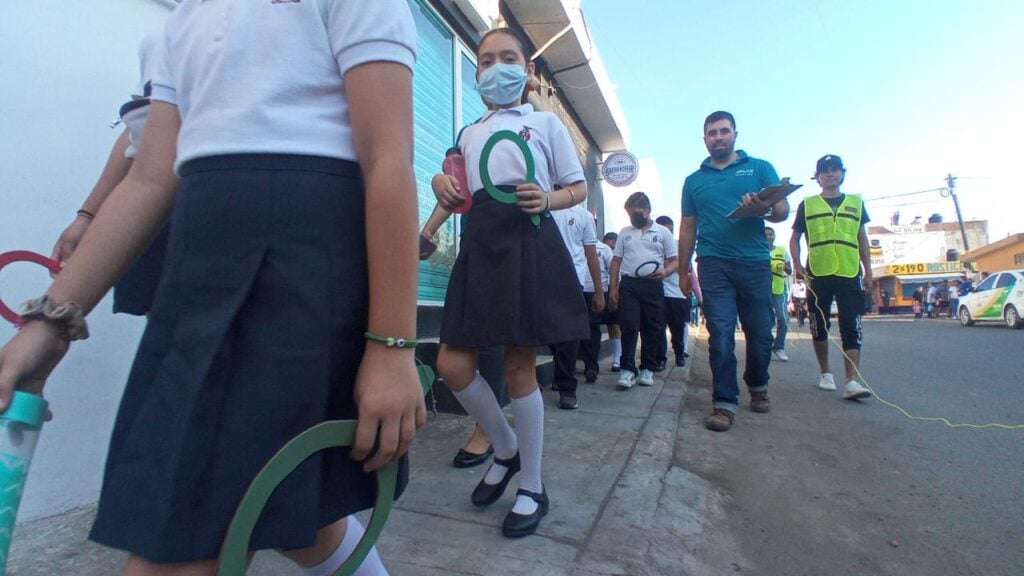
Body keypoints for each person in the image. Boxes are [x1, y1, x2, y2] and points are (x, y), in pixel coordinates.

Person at [0, 3, 424, 575]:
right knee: (288, 507)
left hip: (300, 274)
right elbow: (150, 177)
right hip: (197, 274)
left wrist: (392, 347)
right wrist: (51, 323)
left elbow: (387, 161)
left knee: (188, 528)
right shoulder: (186, 17)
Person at [431, 28, 589, 539]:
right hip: (480, 244)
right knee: (451, 363)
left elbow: (578, 186)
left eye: (509, 58)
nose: (497, 67)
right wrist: (437, 195)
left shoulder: (545, 123)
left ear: (527, 69)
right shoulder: (469, 132)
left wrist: (549, 200)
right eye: (486, 60)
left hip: (527, 240)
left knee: (520, 365)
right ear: (476, 73)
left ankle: (532, 484)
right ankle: (505, 447)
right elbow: (455, 191)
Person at [678, 111, 789, 432]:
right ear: (704, 139)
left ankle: (758, 384)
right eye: (712, 133)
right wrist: (684, 271)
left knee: (760, 333)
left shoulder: (760, 168)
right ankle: (724, 403)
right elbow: (687, 227)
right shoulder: (694, 181)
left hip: (754, 262)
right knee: (721, 335)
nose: (718, 137)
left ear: (735, 134)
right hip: (712, 264)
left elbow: (782, 210)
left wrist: (765, 207)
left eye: (724, 131)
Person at [51, 34, 168, 316]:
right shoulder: (163, 38)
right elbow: (138, 136)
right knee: (164, 327)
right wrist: (87, 216)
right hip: (160, 215)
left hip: (228, 214)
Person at [790, 154, 872, 401]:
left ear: (842, 173)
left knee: (851, 325)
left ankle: (852, 381)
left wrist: (868, 270)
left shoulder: (856, 203)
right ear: (818, 177)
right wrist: (796, 263)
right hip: (818, 271)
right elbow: (795, 237)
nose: (830, 174)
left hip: (849, 271)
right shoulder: (808, 204)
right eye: (825, 171)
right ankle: (826, 372)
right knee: (819, 324)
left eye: (835, 169)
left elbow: (862, 237)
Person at [609, 193, 678, 389]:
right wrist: (614, 288)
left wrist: (665, 271)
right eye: (629, 214)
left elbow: (675, 260)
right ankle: (627, 369)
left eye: (636, 213)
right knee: (629, 326)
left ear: (647, 210)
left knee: (651, 327)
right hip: (629, 285)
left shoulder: (663, 233)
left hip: (653, 285)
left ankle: (648, 368)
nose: (633, 217)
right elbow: (616, 262)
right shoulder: (625, 232)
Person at [550, 203, 605, 410]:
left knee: (568, 335)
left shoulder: (583, 216)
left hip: (572, 281)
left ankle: (567, 388)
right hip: (542, 278)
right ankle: (559, 370)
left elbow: (591, 253)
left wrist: (599, 291)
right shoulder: (541, 208)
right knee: (548, 332)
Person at [654, 216, 695, 368]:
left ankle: (679, 354)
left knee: (677, 327)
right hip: (658, 293)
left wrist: (672, 265)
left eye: (670, 230)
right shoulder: (652, 244)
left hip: (677, 293)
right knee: (658, 328)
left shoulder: (679, 245)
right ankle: (660, 359)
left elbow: (688, 268)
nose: (668, 233)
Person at [766, 227, 792, 361]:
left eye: (771, 234)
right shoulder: (758, 250)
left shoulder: (781, 250)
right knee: (766, 320)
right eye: (766, 235)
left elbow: (789, 270)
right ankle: (765, 346)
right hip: (762, 289)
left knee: (783, 318)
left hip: (779, 289)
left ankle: (779, 347)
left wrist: (783, 266)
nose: (769, 237)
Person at [601, 232, 623, 371]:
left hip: (613, 289)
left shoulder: (619, 254)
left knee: (614, 325)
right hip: (600, 289)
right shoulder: (601, 250)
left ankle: (617, 359)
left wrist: (615, 291)